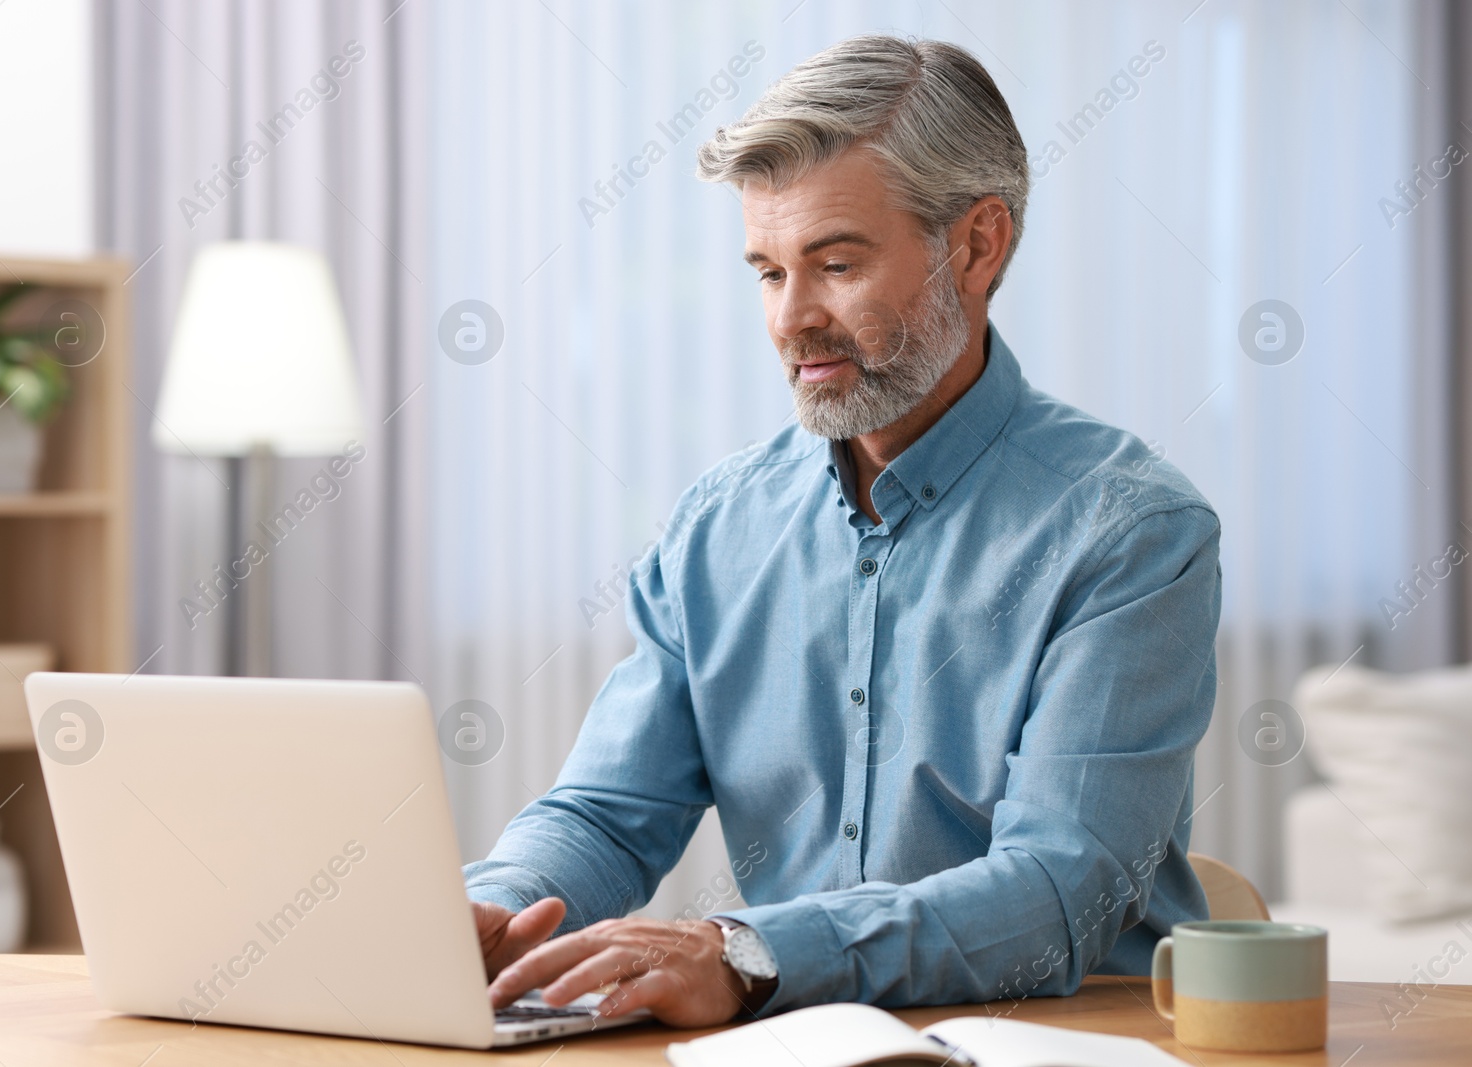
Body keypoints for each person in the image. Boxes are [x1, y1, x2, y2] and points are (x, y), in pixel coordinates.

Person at [465, 34, 1220, 1028]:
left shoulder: (1129, 528)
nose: (792, 319)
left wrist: (746, 953)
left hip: (1063, 1036)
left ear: (977, 243)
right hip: (795, 1040)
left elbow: (1059, 887)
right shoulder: (715, 528)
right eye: (770, 273)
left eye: (834, 263)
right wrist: (496, 906)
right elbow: (607, 812)